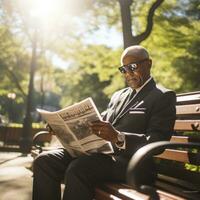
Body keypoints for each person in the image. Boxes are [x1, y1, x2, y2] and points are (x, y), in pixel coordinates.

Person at [32, 45, 176, 200]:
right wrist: (62, 128)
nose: (128, 73)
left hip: (134, 164)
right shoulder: (118, 96)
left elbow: (157, 140)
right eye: (123, 69)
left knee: (79, 168)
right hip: (101, 156)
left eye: (133, 67)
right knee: (44, 161)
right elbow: (99, 122)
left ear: (148, 63)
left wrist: (118, 137)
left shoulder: (162, 96)